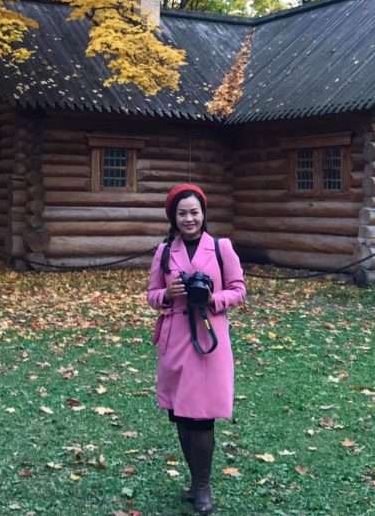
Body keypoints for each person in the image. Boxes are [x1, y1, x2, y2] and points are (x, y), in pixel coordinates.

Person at [146, 183, 246, 515]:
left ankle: (203, 487)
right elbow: (151, 295)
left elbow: (238, 290)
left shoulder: (221, 248)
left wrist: (212, 299)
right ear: (173, 218)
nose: (190, 219)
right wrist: (168, 294)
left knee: (201, 416)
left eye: (195, 212)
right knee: (181, 414)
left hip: (208, 338)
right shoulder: (163, 252)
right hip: (175, 338)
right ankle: (193, 481)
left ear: (203, 213)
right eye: (182, 213)